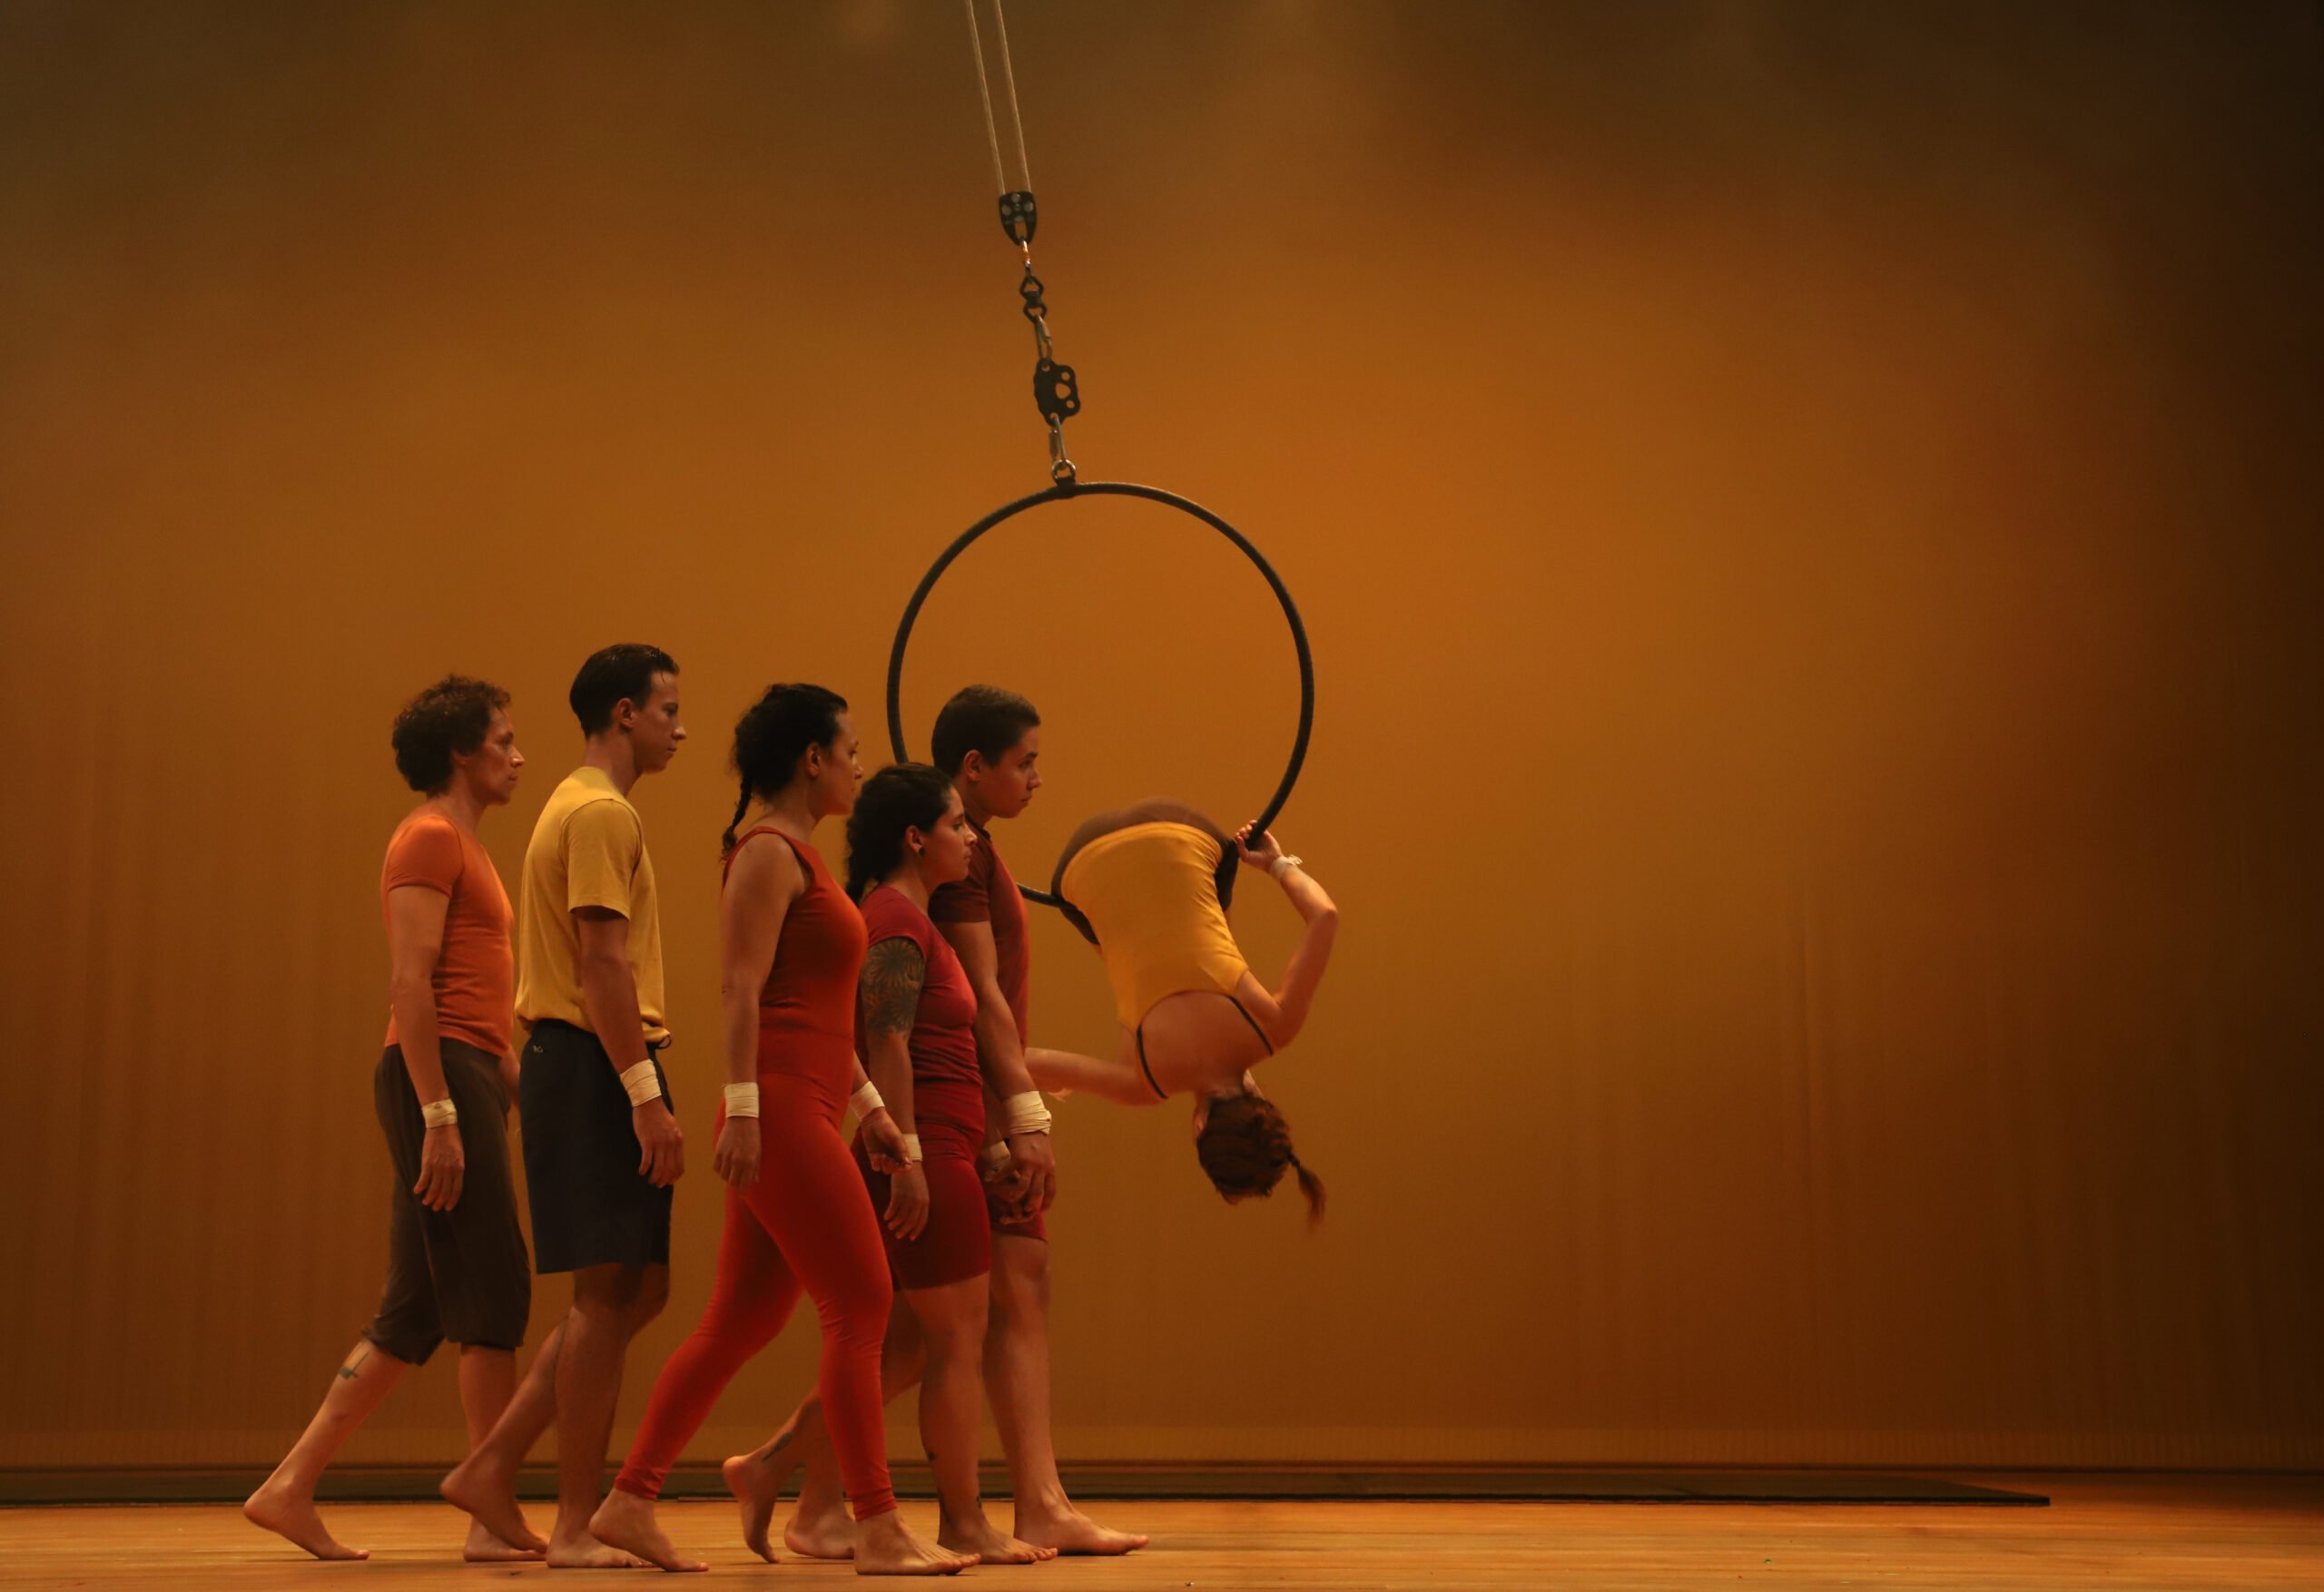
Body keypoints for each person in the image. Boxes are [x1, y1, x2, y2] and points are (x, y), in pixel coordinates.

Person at [731, 686, 1144, 1559]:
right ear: (924, 831)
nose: (971, 837)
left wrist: (981, 1133)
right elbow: (888, 1035)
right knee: (943, 1333)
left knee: (921, 1336)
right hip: (937, 1140)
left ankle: (788, 1477)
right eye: (957, 821)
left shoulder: (918, 907)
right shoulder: (900, 914)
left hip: (955, 1136)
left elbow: (932, 1029)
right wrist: (954, 1139)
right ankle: (965, 1515)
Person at [589, 688, 972, 1577]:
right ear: (812, 757)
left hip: (803, 1106)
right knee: (863, 1306)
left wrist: (873, 1111)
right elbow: (740, 988)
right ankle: (876, 1523)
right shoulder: (765, 852)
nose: (859, 765)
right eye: (850, 749)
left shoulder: (802, 857)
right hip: (780, 1114)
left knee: (739, 1321)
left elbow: (822, 1013)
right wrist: (745, 1111)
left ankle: (628, 1500)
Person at [245, 675, 550, 1563]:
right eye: (503, 740)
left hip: (463, 1070)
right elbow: (411, 981)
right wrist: (442, 1112)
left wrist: (513, 1085)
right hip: (435, 1074)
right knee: (494, 1290)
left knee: (415, 1310)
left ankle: (288, 1486)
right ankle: (491, 1506)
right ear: (461, 751)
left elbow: (479, 1004)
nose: (518, 755)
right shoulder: (429, 836)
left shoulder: (466, 844)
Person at [438, 644, 686, 1569]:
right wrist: (643, 1095)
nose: (679, 728)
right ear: (624, 713)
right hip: (590, 1061)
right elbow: (601, 963)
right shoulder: (597, 812)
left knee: (638, 1288)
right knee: (603, 1292)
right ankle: (577, 1520)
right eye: (668, 709)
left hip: (596, 1058)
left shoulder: (591, 807)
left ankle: (493, 1463)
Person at [1030, 799, 1336, 1223]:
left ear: (1262, 1105)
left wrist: (1277, 864)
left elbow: (1325, 916)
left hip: (1182, 826)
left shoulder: (1275, 1028)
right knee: (1117, 938)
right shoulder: (1142, 1083)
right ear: (1199, 1129)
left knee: (1213, 912)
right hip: (1080, 858)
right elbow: (1020, 1062)